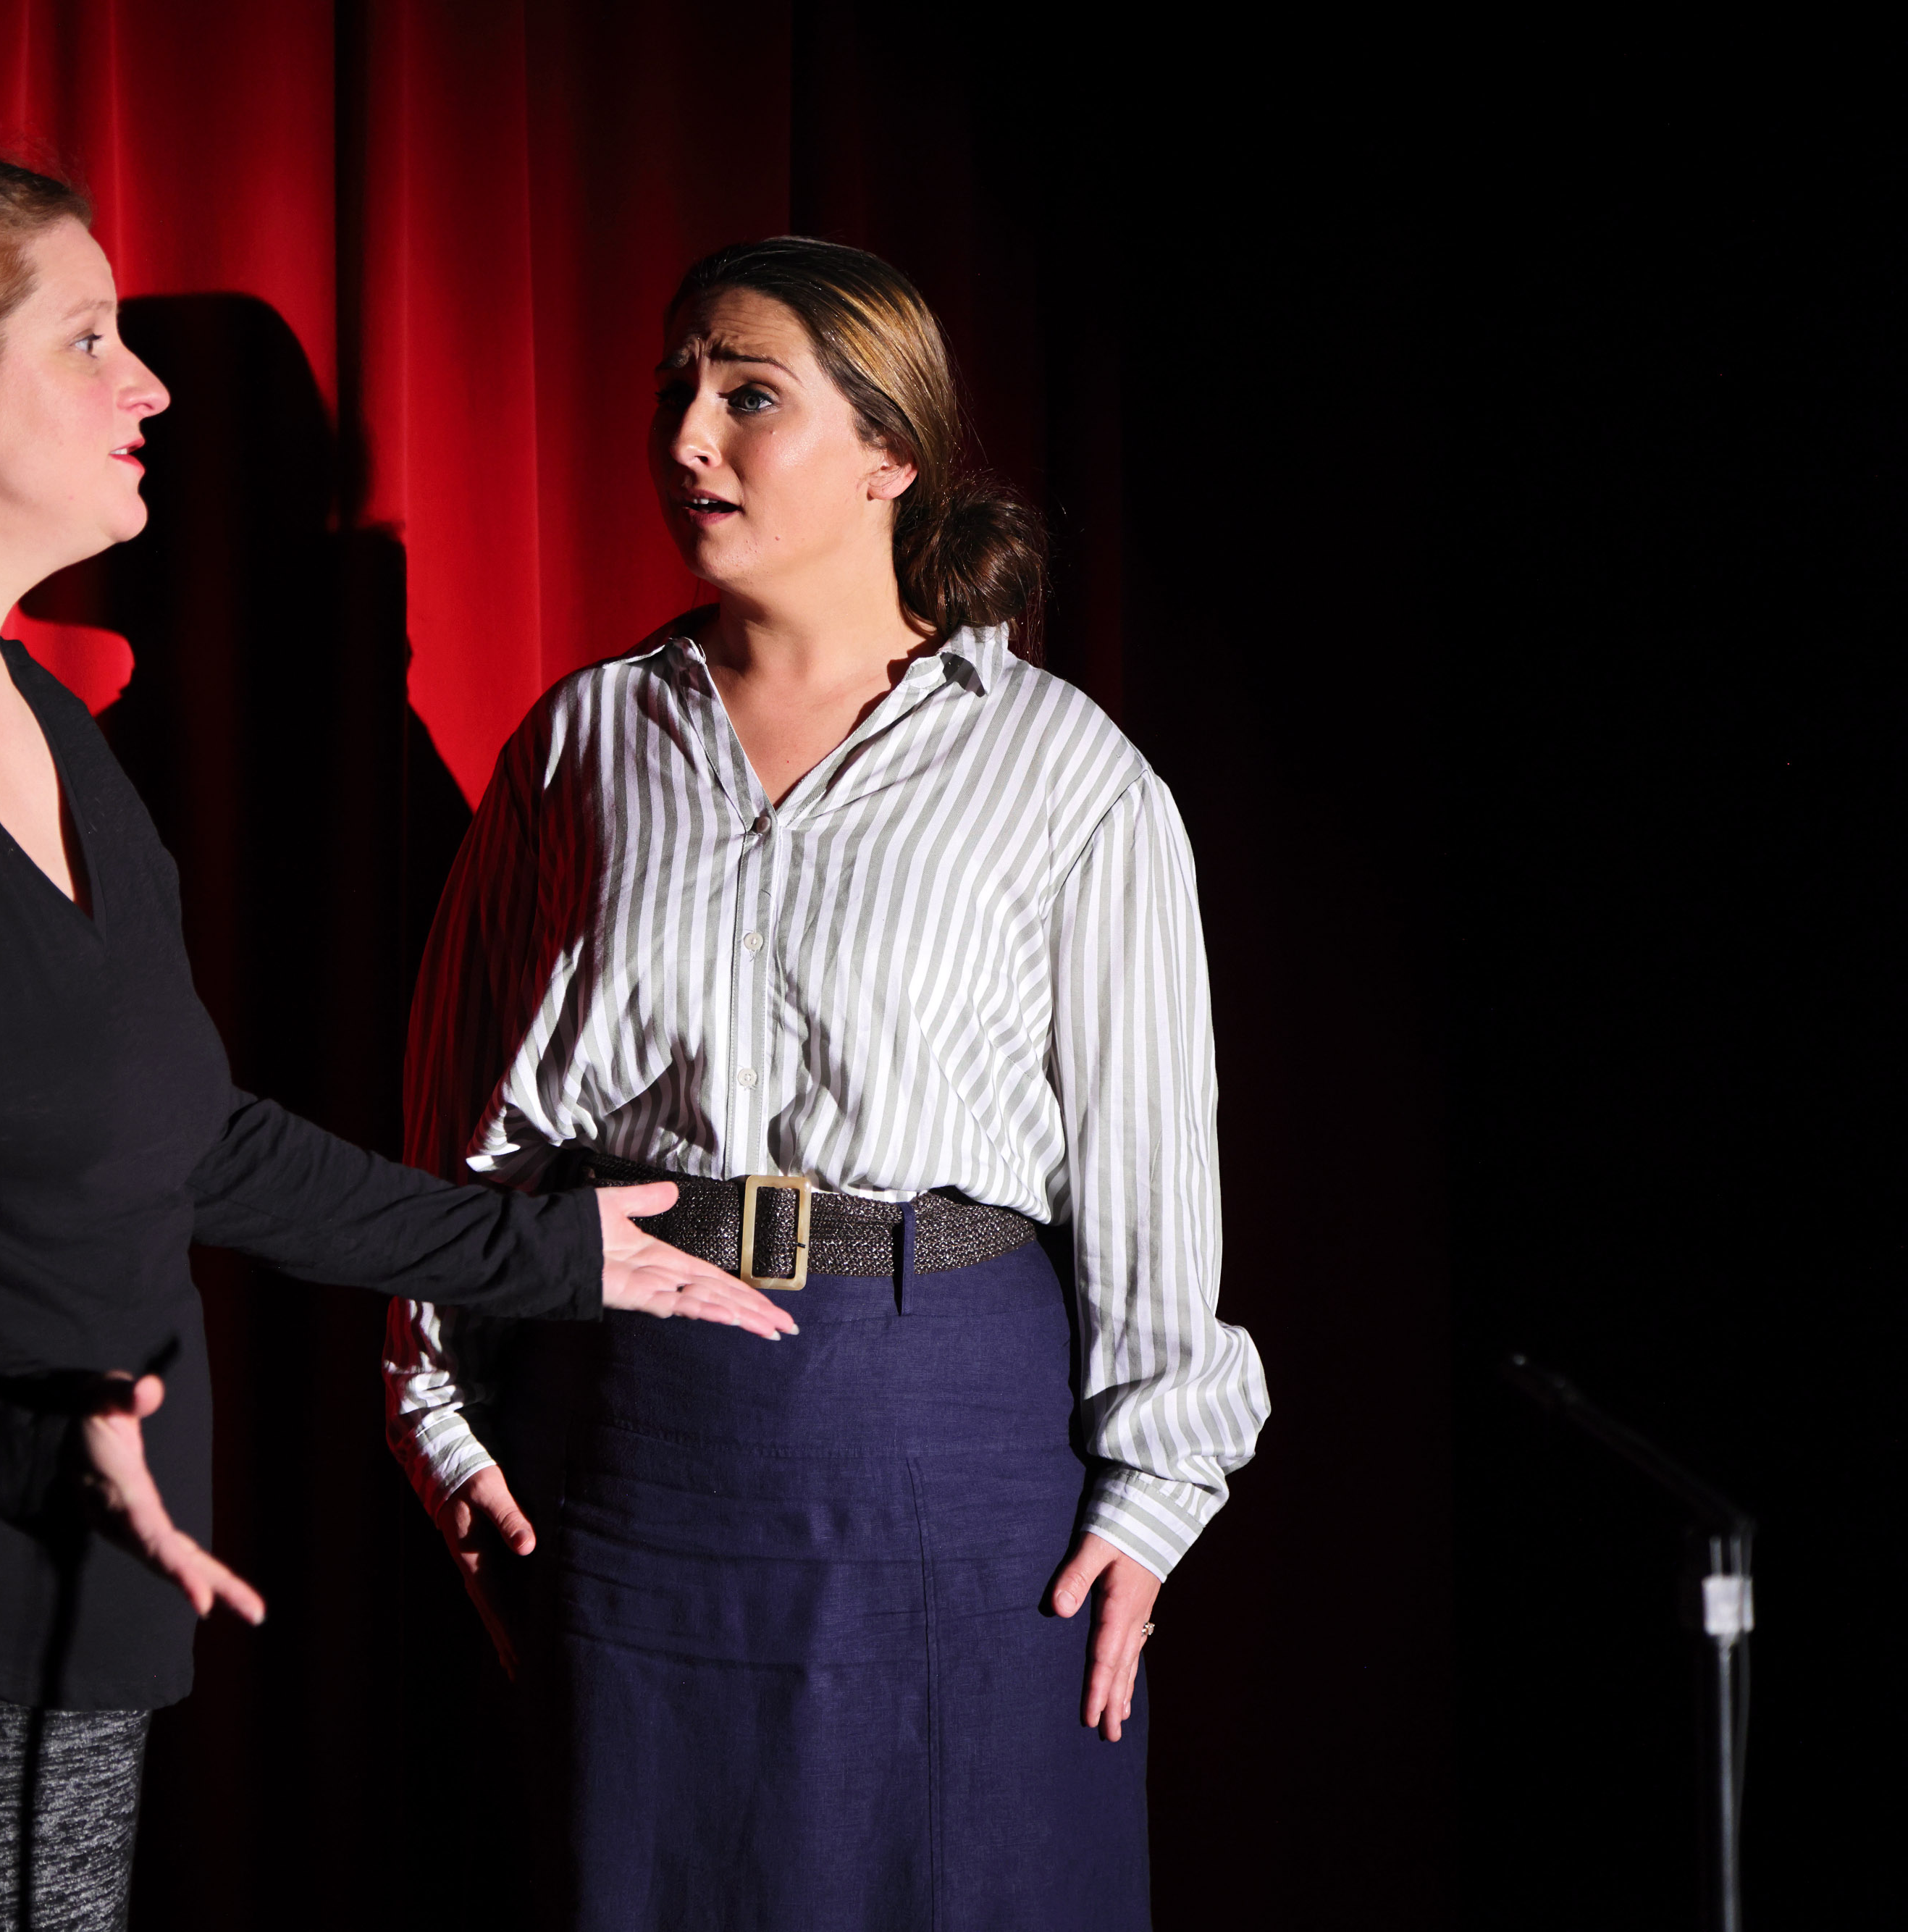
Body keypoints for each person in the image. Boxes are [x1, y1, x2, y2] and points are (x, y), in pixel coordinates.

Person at [0, 150, 791, 1932]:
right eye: (89, 338)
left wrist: (538, 1251)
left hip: (46, 1585)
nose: (150, 389)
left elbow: (184, 1128)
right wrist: (6, 1400)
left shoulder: (41, 723)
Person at [384, 237, 1272, 1929]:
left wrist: (1157, 1491)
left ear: (888, 451)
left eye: (747, 395)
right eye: (674, 389)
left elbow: (1150, 1167)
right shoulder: (583, 743)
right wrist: (434, 1409)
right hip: (638, 1445)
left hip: (954, 1448)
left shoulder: (1059, 770)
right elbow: (460, 1135)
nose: (684, 436)